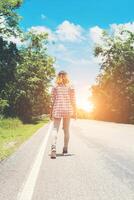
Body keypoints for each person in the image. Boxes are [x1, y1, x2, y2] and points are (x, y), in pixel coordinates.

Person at [50, 70, 77, 159]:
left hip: (57, 109)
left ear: (58, 76)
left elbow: (52, 100)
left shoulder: (55, 86)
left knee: (55, 129)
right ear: (67, 76)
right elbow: (73, 100)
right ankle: (65, 149)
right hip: (67, 110)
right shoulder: (70, 86)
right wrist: (75, 111)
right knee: (66, 130)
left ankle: (53, 148)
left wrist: (50, 112)